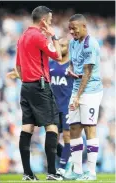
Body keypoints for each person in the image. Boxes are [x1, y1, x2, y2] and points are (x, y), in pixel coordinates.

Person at [13, 5, 63, 181]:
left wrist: (27, 81)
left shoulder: (22, 37)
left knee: (27, 128)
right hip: (41, 86)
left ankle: (27, 174)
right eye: (49, 21)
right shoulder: (39, 36)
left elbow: (17, 67)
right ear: (43, 21)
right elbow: (58, 55)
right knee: (52, 126)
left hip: (26, 86)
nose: (50, 23)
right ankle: (52, 172)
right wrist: (53, 35)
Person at [65, 14, 103, 180]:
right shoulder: (73, 43)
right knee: (74, 128)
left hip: (91, 90)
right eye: (70, 28)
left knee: (89, 128)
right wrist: (71, 70)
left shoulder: (90, 44)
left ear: (84, 27)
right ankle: (77, 171)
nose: (71, 31)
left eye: (74, 28)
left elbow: (87, 72)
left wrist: (77, 97)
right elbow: (74, 62)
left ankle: (92, 172)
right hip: (77, 89)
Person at [49, 37, 74, 177]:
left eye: (63, 45)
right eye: (59, 45)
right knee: (52, 140)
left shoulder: (72, 65)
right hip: (52, 107)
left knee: (67, 137)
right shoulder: (50, 64)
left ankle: (62, 168)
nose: (60, 48)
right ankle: (68, 157)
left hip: (66, 107)